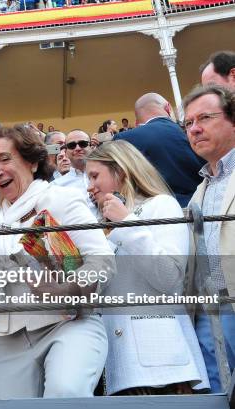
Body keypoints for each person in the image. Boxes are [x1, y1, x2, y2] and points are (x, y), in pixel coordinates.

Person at [0, 125, 114, 398]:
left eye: (4, 159)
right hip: (8, 339)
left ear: (33, 162)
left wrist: (64, 289)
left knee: (65, 392)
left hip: (68, 324)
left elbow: (103, 261)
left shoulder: (60, 199)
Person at [86, 140, 209, 395]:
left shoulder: (161, 205)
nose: (90, 186)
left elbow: (170, 278)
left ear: (120, 170)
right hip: (113, 366)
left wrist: (126, 225)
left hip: (159, 364)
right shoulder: (100, 225)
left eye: (95, 175)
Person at [183, 84, 235, 393]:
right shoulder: (199, 191)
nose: (195, 129)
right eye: (188, 123)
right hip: (211, 309)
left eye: (204, 118)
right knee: (217, 400)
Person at [117, 92, 205, 207]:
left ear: (137, 123)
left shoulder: (124, 139)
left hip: (155, 215)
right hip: (203, 207)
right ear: (168, 108)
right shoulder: (196, 132)